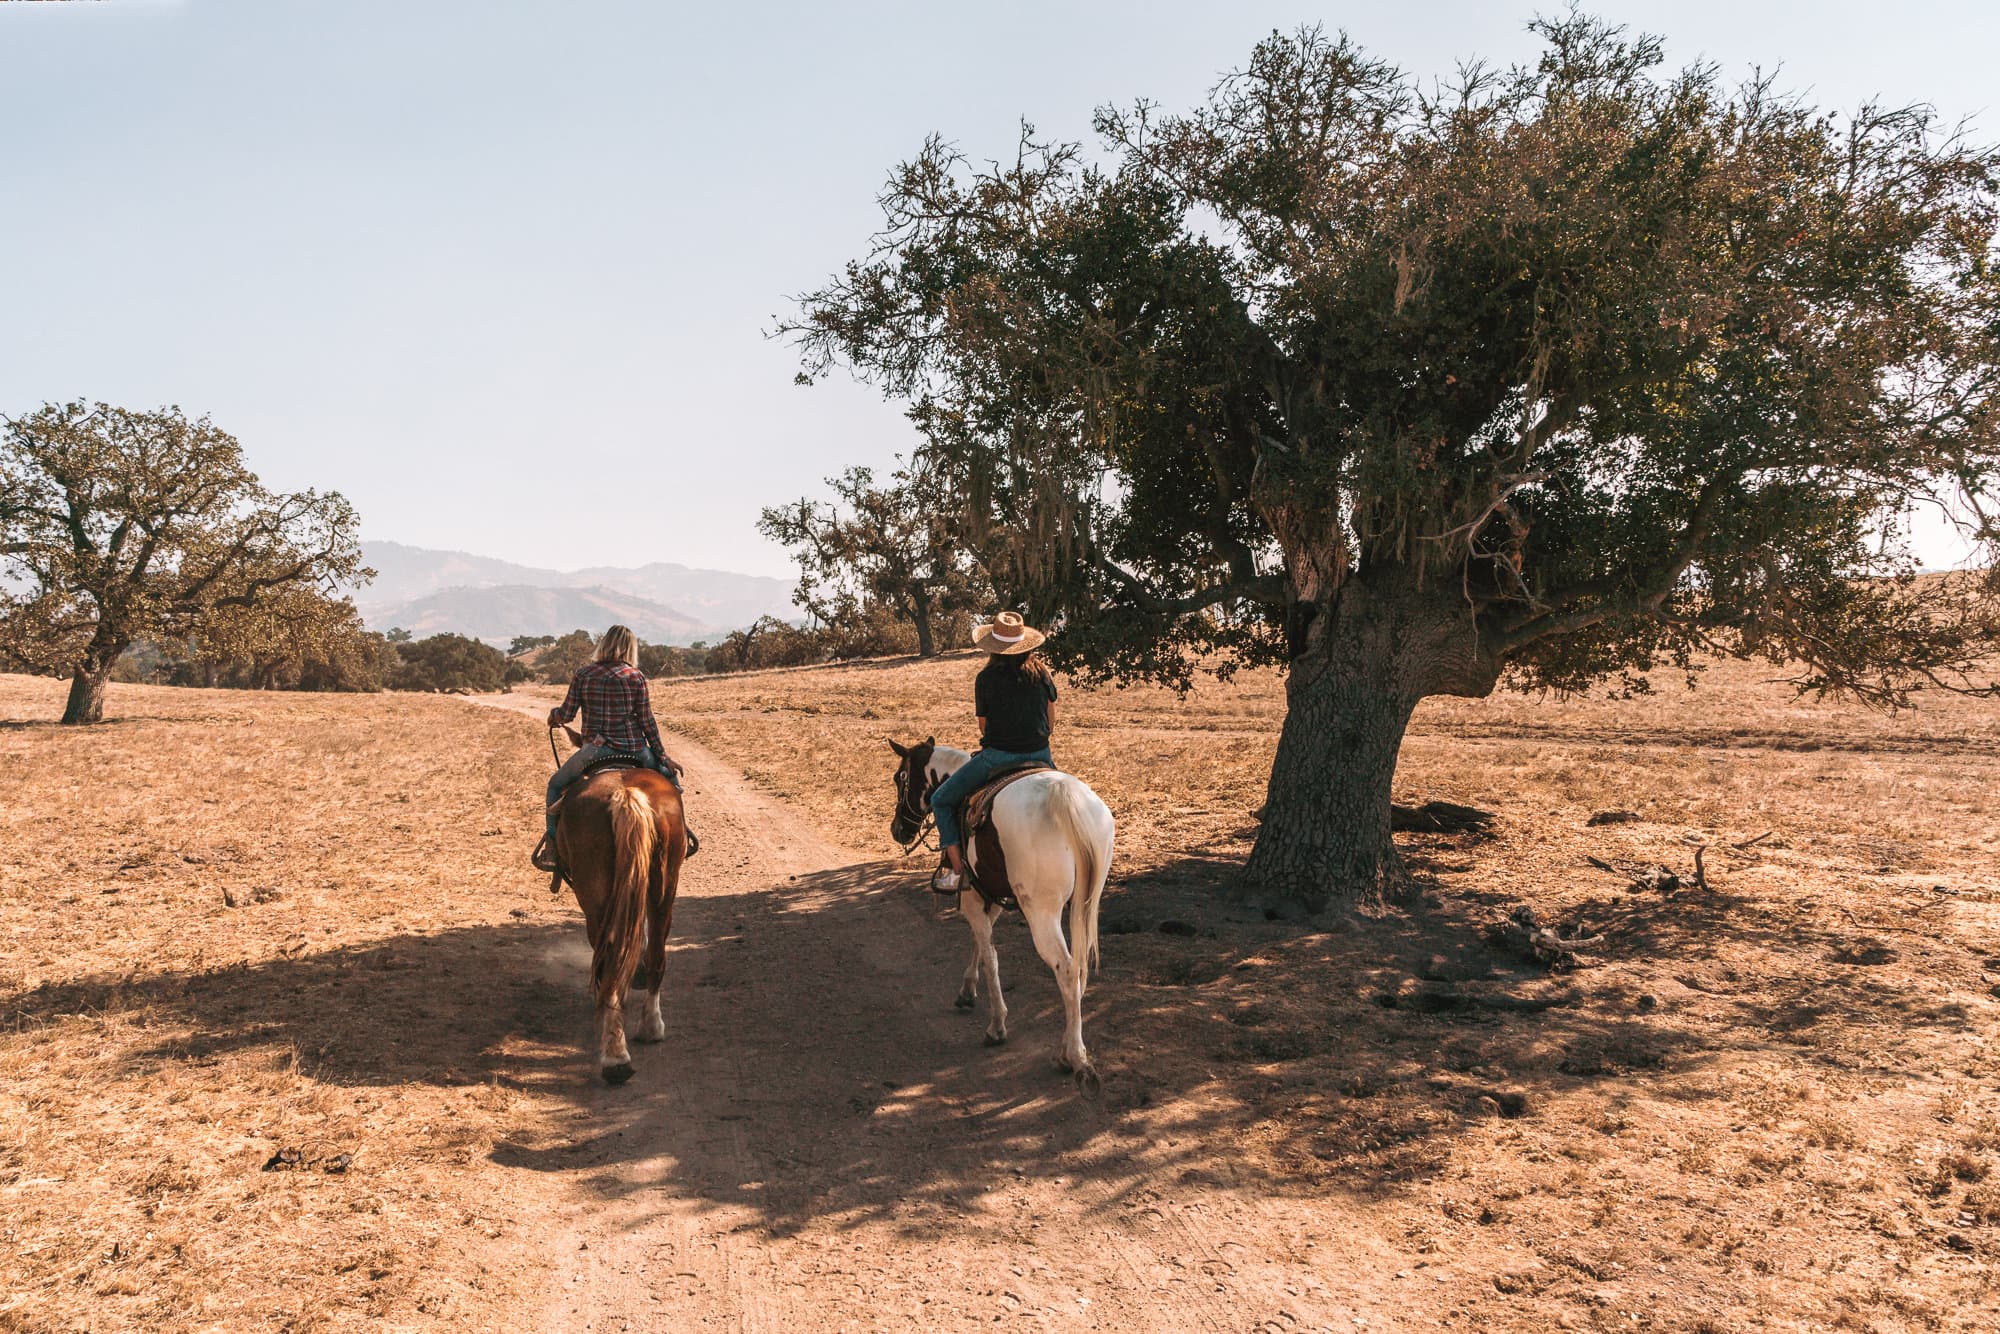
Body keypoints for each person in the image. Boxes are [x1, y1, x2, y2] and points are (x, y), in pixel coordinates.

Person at [531, 624, 696, 872]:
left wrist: (554, 716)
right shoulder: (635, 676)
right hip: (636, 750)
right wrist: (663, 756)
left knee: (555, 785)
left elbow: (566, 714)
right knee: (671, 783)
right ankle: (680, 833)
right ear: (630, 647)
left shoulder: (584, 674)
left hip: (594, 751)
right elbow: (646, 720)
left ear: (605, 644)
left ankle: (552, 847)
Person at [930, 611, 1057, 894]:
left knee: (941, 800)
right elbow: (1050, 722)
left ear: (992, 647)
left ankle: (955, 872)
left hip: (997, 757)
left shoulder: (985, 678)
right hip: (1041, 755)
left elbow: (984, 727)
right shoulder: (1042, 673)